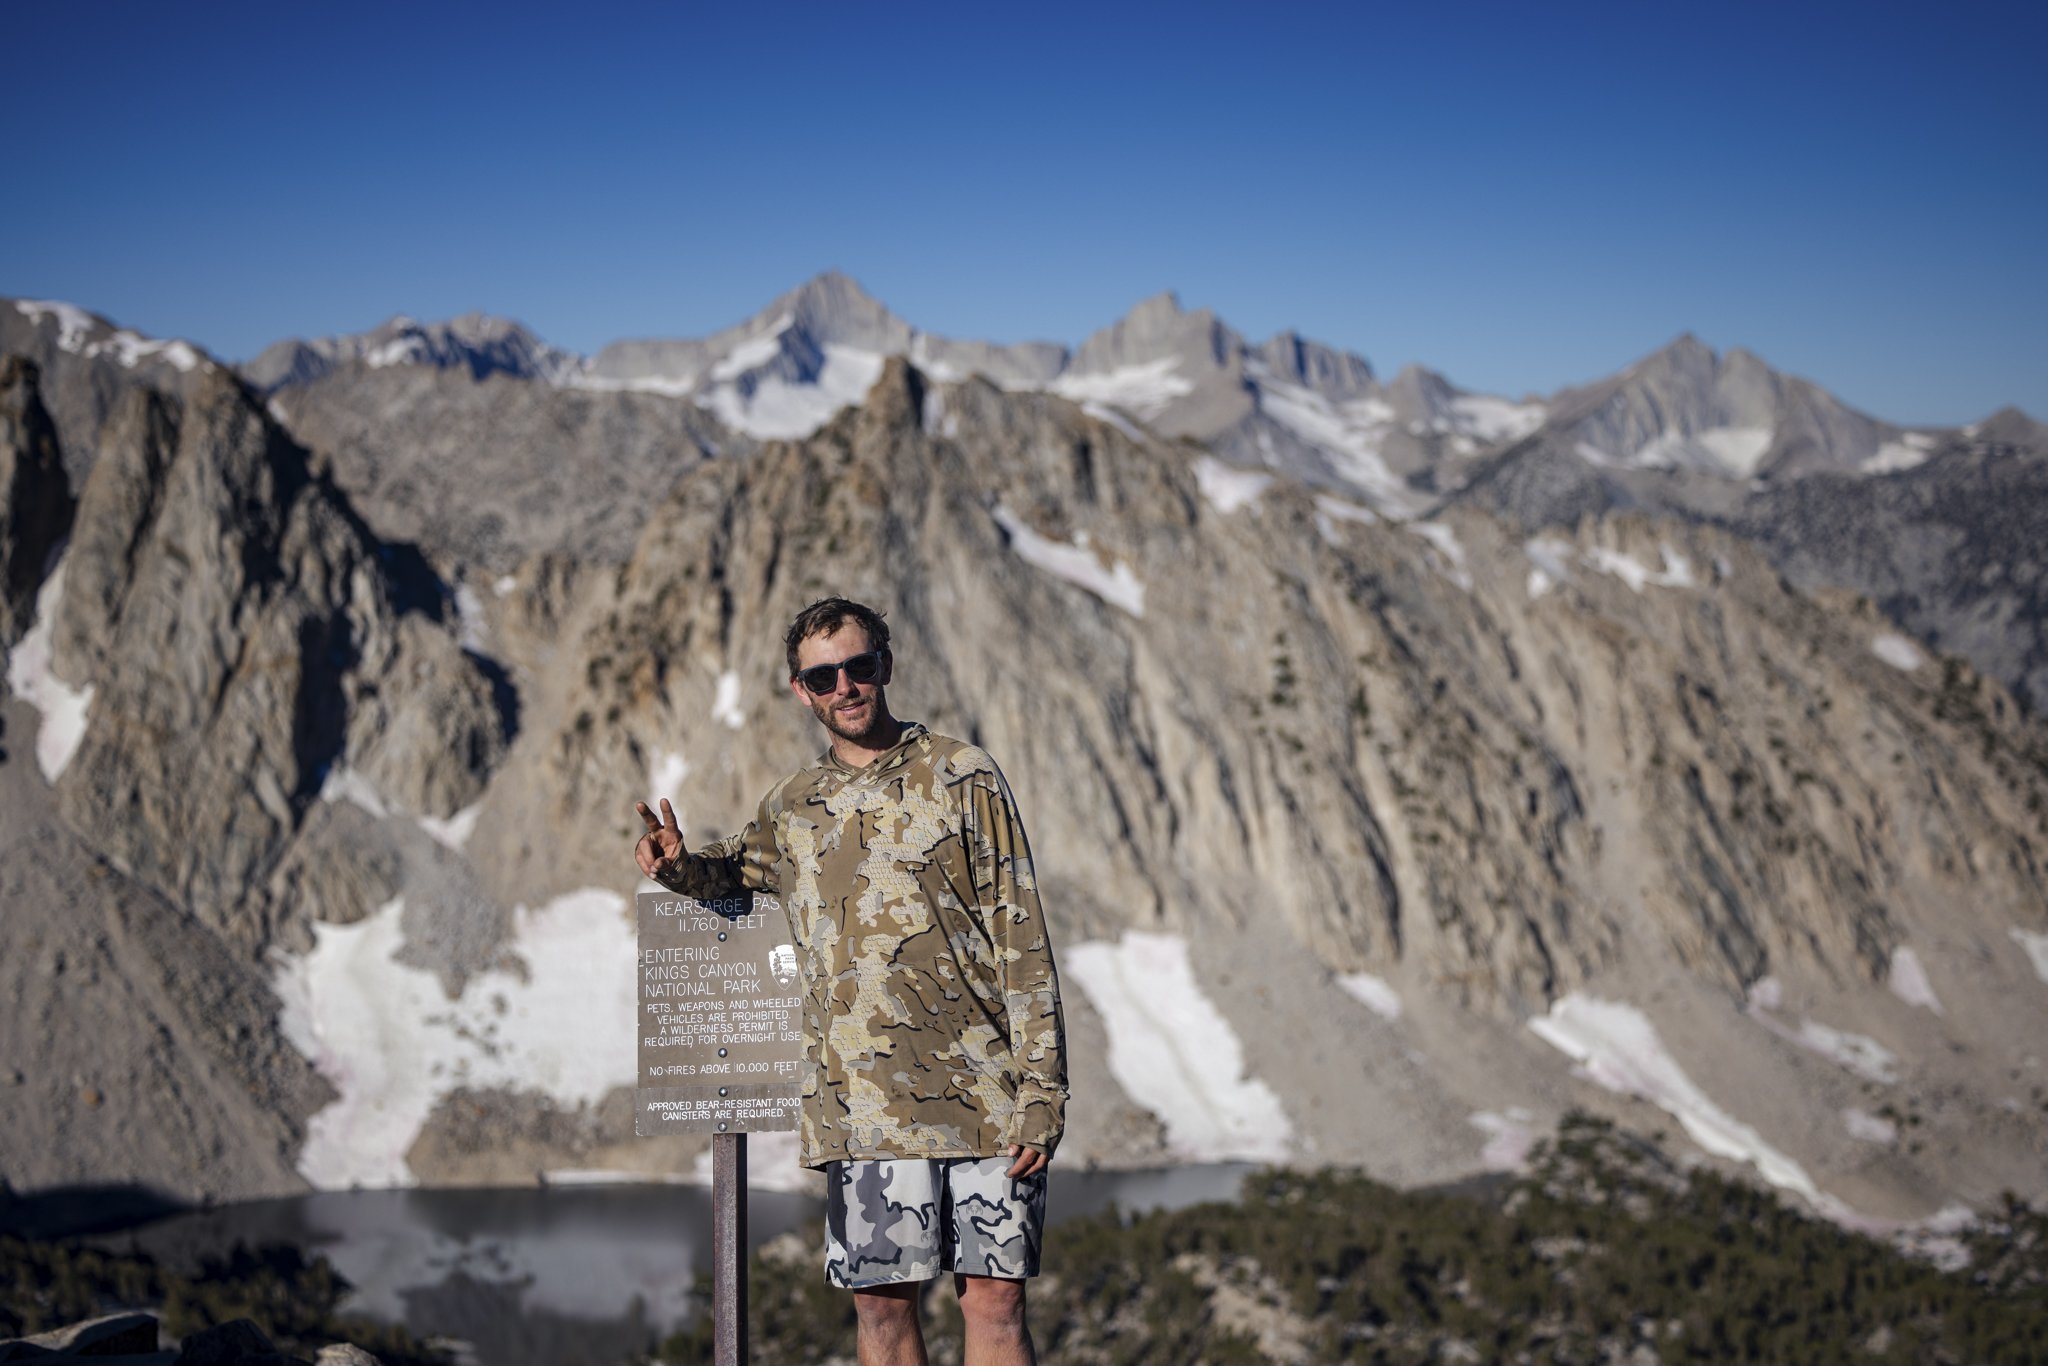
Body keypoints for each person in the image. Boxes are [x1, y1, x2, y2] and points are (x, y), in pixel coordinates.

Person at [633, 597, 1066, 1366]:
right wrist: (675, 865)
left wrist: (1044, 1091)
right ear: (801, 690)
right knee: (882, 1315)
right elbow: (728, 872)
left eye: (858, 666)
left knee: (997, 1306)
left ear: (885, 666)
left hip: (990, 1100)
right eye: (823, 675)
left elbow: (1021, 934)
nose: (845, 686)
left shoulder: (964, 775)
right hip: (861, 1107)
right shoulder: (793, 807)